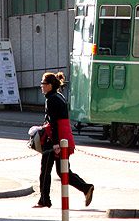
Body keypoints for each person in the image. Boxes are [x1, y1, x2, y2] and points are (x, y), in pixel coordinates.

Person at [34, 72, 94, 208]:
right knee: (63, 171)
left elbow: (53, 123)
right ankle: (86, 188)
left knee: (45, 171)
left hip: (54, 139)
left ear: (49, 85)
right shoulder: (59, 96)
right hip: (64, 138)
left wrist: (55, 143)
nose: (41, 87)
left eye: (43, 84)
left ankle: (44, 200)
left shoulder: (51, 100)